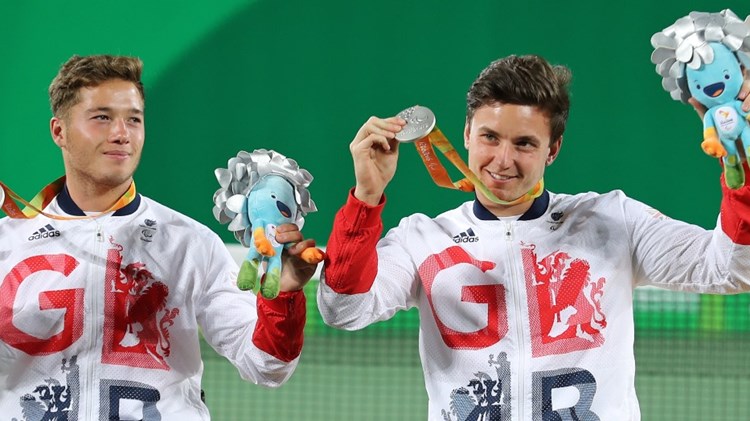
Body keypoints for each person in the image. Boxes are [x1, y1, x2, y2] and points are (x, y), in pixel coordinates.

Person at [317, 54, 750, 420]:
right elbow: (344, 309)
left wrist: (740, 157)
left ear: (553, 149)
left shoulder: (613, 220)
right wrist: (365, 198)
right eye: (489, 137)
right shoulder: (422, 239)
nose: (502, 160)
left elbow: (731, 267)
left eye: (524, 143)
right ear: (467, 133)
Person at [0, 54, 320, 420]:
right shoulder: (7, 244)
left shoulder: (189, 243)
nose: (121, 133)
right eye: (102, 117)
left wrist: (282, 296)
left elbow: (266, 366)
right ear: (59, 131)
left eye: (133, 119)